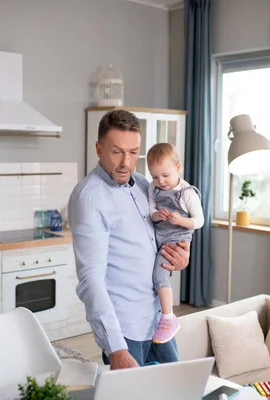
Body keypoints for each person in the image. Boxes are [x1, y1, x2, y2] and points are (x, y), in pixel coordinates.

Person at [68, 110, 191, 370]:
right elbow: (91, 279)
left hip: (158, 321)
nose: (126, 162)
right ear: (99, 149)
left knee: (176, 391)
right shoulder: (89, 198)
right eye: (117, 152)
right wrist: (116, 349)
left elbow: (160, 239)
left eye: (134, 152)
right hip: (125, 330)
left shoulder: (145, 185)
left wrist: (179, 257)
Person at [146, 143, 204, 344]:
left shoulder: (187, 193)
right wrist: (156, 215)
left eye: (165, 175)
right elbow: (151, 213)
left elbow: (199, 221)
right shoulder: (153, 188)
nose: (160, 181)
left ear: (178, 168)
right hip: (160, 234)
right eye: (154, 176)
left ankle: (168, 317)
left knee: (159, 274)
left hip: (176, 238)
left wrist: (180, 220)